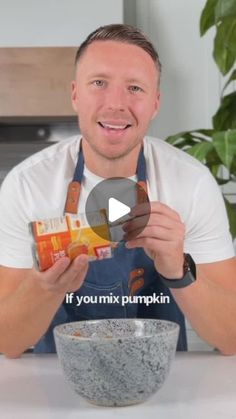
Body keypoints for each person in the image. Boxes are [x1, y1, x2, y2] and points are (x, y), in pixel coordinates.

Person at [0, 24, 236, 358]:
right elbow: (6, 343)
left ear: (155, 104)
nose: (116, 104)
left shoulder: (191, 184)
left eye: (135, 88)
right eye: (99, 83)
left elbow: (232, 338)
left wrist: (179, 272)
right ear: (75, 94)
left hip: (162, 387)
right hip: (59, 389)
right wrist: (44, 287)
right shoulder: (27, 185)